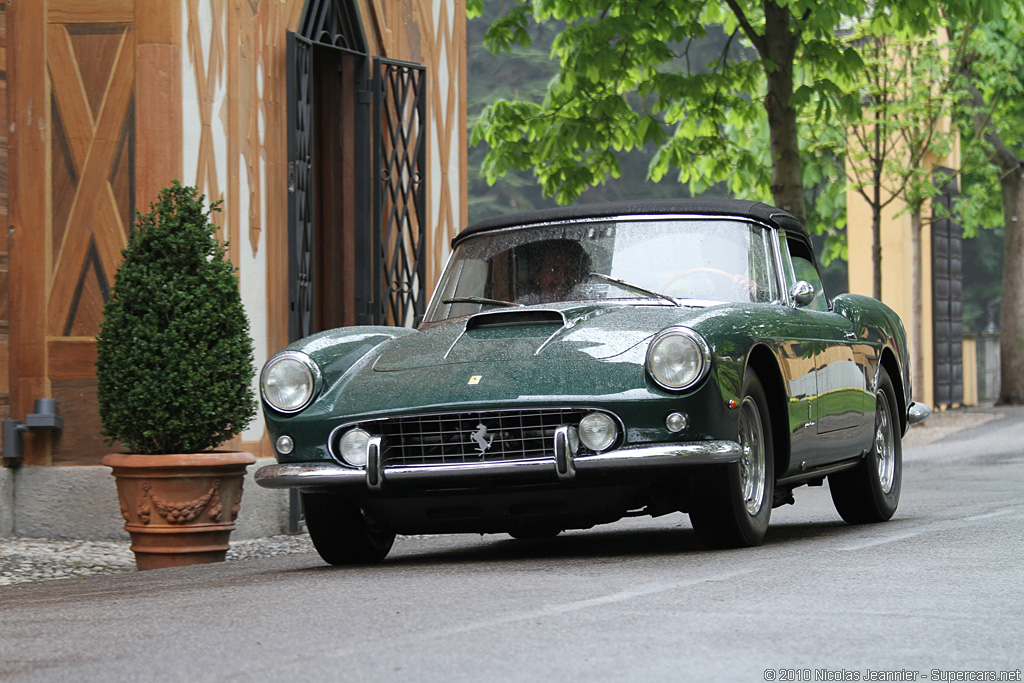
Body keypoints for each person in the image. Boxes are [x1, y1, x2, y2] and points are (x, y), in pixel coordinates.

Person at [519, 239, 591, 304]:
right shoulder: (524, 307)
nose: (563, 279)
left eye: (572, 270)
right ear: (538, 273)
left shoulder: (588, 303)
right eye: (555, 270)